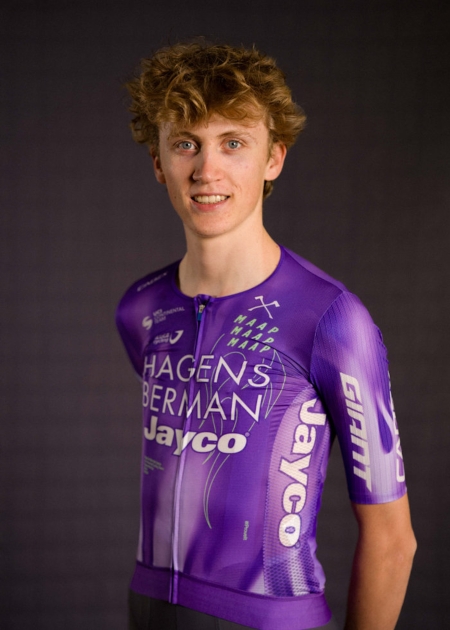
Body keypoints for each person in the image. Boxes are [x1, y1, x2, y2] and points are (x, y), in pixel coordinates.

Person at [116, 40, 416, 630]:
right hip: (147, 609)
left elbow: (392, 540)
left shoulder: (331, 319)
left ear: (273, 158)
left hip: (270, 617)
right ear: (158, 161)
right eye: (186, 144)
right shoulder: (140, 308)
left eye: (233, 143)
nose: (207, 170)